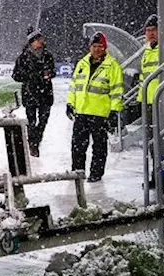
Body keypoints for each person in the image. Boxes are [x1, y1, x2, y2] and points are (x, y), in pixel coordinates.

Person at [65, 32, 124, 182]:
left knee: (99, 146)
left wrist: (114, 110)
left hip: (100, 113)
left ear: (105, 48)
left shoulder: (112, 66)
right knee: (78, 146)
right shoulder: (82, 63)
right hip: (81, 112)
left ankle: (96, 174)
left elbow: (117, 90)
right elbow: (74, 86)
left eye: (100, 46)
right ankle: (77, 173)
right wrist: (70, 103)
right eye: (94, 46)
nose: (97, 49)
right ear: (90, 47)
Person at [11, 26, 56, 157]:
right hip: (30, 93)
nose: (41, 41)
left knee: (43, 120)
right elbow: (16, 76)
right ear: (32, 41)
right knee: (31, 120)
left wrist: (47, 75)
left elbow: (53, 72)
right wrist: (29, 76)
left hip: (45, 93)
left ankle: (36, 140)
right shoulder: (23, 57)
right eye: (38, 39)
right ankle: (33, 143)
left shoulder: (48, 55)